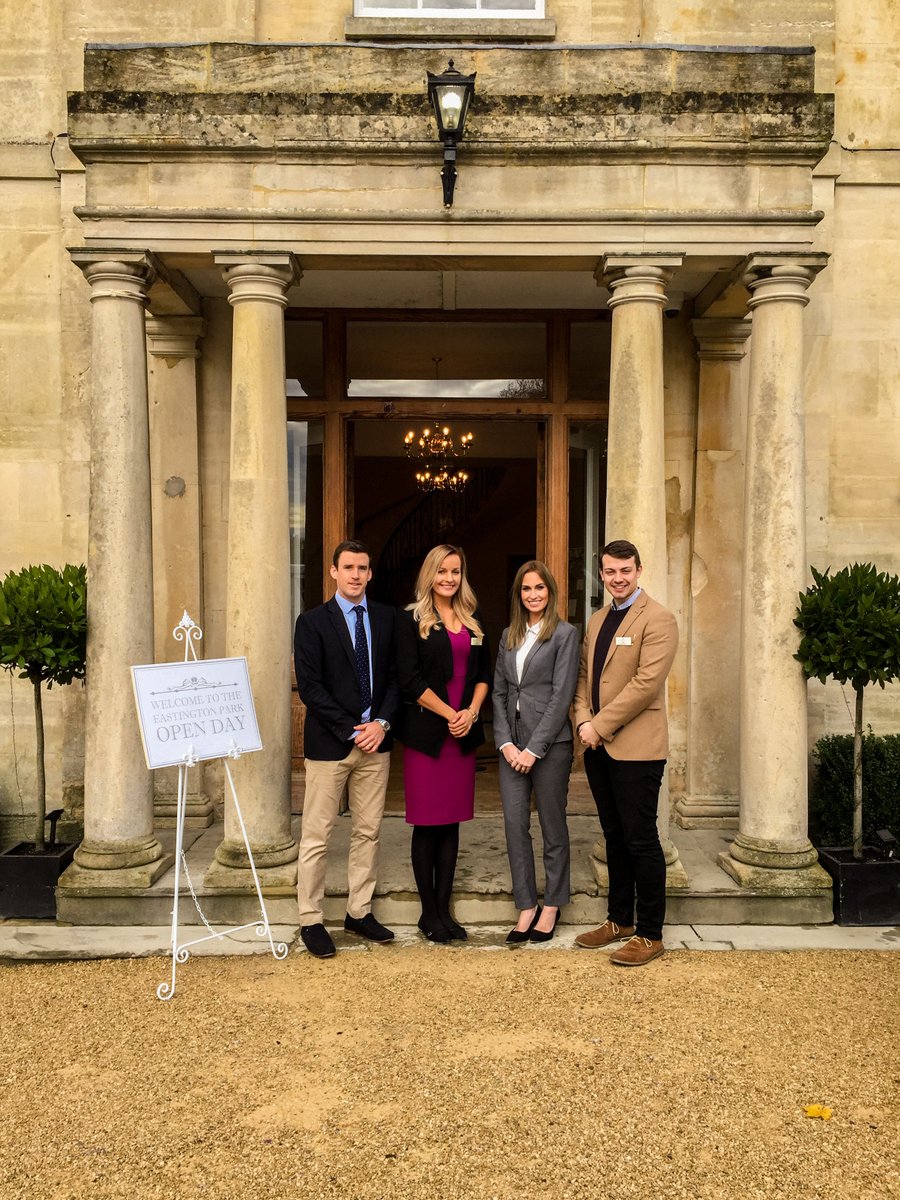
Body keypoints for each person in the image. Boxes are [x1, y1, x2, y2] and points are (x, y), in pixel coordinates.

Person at [572, 539, 678, 966]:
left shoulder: (658, 619)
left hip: (637, 749)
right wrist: (582, 720)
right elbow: (583, 677)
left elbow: (645, 685)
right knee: (613, 836)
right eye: (610, 572)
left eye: (626, 571)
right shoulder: (598, 620)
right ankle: (620, 920)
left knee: (641, 839)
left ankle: (651, 933)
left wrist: (598, 725)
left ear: (639, 570)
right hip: (597, 746)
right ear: (601, 574)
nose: (618, 578)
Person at [293, 540, 400, 959]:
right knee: (317, 835)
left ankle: (359, 912)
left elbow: (395, 679)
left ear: (371, 573)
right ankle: (310, 919)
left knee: (368, 831)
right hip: (331, 745)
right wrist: (353, 730)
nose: (356, 574)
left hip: (378, 742)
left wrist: (382, 724)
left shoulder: (388, 618)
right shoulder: (313, 622)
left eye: (363, 567)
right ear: (334, 572)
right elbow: (311, 687)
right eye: (348, 567)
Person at [395, 545, 491, 943]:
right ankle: (427, 912)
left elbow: (485, 674)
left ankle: (445, 909)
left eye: (455, 571)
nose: (449, 578)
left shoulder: (474, 619)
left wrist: (470, 711)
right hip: (427, 735)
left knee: (451, 822)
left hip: (462, 734)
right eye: (442, 571)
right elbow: (410, 680)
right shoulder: (411, 619)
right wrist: (449, 713)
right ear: (429, 575)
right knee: (427, 823)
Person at [493, 561, 580, 944]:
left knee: (552, 826)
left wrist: (533, 748)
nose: (533, 595)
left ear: (550, 592)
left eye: (539, 588)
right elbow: (498, 693)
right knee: (515, 826)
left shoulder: (565, 634)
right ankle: (526, 904)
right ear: (519, 594)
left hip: (549, 747)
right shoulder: (508, 635)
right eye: (526, 589)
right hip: (510, 748)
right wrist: (505, 742)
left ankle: (553, 903)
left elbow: (561, 696)